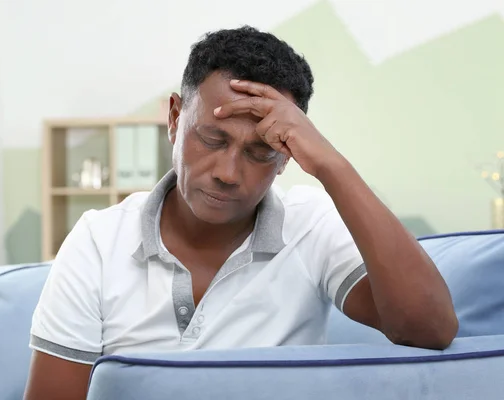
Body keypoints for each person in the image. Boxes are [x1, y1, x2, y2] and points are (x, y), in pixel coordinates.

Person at [23, 26, 458, 400]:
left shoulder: (310, 224)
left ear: (288, 155)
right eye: (212, 139)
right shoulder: (98, 241)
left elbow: (430, 329)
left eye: (260, 151)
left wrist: (330, 164)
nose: (229, 174)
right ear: (175, 118)